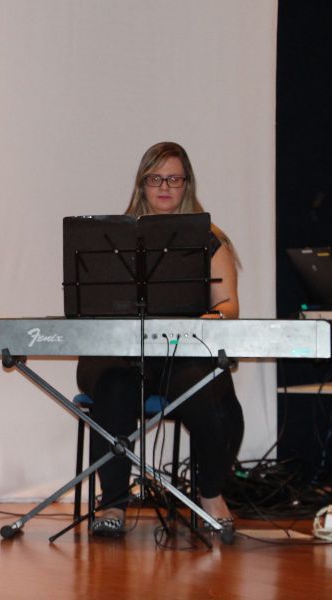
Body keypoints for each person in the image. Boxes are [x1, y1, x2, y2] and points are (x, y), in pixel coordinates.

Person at [77, 141, 245, 537]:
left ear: (187, 184)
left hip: (178, 354)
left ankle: (210, 493)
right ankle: (113, 503)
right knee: (114, 389)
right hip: (123, 355)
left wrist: (208, 318)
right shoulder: (112, 237)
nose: (165, 186)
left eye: (173, 178)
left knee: (214, 393)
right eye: (156, 178)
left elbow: (229, 304)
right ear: (142, 184)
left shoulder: (209, 237)